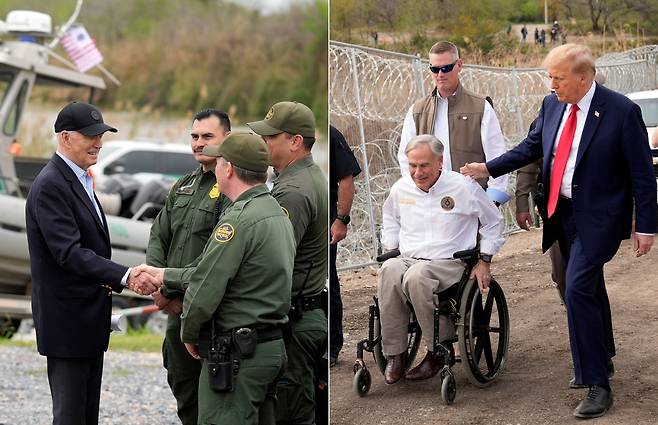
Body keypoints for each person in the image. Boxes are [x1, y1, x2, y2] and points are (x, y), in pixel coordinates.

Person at [461, 43, 657, 419]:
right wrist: (489, 168)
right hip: (559, 212)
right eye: (549, 77)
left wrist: (646, 224)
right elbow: (531, 147)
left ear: (584, 78)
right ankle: (604, 354)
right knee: (583, 287)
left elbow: (642, 174)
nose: (551, 85)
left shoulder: (620, 111)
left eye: (558, 77)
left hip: (599, 216)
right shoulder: (552, 105)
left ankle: (596, 382)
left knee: (579, 286)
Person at [137, 133, 296, 425]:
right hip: (269, 346)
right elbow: (208, 270)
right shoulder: (275, 212)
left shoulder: (238, 220)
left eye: (220, 161)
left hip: (238, 355)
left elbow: (206, 285)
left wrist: (189, 332)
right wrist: (163, 274)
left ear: (229, 169)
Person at [25, 101, 159, 425]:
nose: (98, 142)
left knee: (86, 417)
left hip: (86, 324)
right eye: (90, 135)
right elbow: (69, 253)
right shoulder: (51, 185)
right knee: (71, 417)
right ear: (65, 137)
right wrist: (127, 276)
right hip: (67, 325)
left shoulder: (80, 179)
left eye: (101, 135)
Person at [379, 134, 504, 385]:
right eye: (413, 165)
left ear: (440, 161)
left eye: (423, 165)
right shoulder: (400, 188)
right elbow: (390, 220)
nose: (417, 172)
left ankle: (437, 349)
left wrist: (485, 260)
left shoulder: (463, 186)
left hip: (450, 263)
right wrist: (391, 248)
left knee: (417, 276)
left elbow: (493, 222)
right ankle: (396, 353)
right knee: (389, 270)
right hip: (410, 258)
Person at [146, 109, 231, 425]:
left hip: (209, 313)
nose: (198, 143)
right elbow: (160, 233)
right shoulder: (184, 185)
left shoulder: (231, 187)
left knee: (216, 400)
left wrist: (177, 291)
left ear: (227, 139)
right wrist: (159, 284)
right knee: (184, 389)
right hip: (174, 310)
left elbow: (218, 256)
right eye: (194, 136)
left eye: (207, 136)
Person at [248, 101, 328, 425]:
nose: (264, 143)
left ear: (295, 141)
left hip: (295, 321)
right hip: (303, 313)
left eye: (271, 137)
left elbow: (274, 259)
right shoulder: (302, 176)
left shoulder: (293, 191)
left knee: (291, 412)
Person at [397, 41, 509, 205]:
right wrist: (417, 194)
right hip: (431, 203)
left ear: (459, 65)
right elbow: (405, 157)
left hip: (472, 202)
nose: (440, 74)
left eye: (446, 68)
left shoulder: (480, 107)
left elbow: (496, 156)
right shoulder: (417, 110)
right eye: (434, 69)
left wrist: (493, 202)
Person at [329, 125, 362, 368]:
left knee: (326, 281)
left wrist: (342, 219)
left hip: (325, 215)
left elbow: (346, 178)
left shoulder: (330, 135)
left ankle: (331, 347)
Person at [515, 160, 567, 303]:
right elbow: (528, 163)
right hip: (556, 210)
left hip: (589, 208)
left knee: (583, 274)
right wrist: (522, 203)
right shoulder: (544, 136)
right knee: (561, 274)